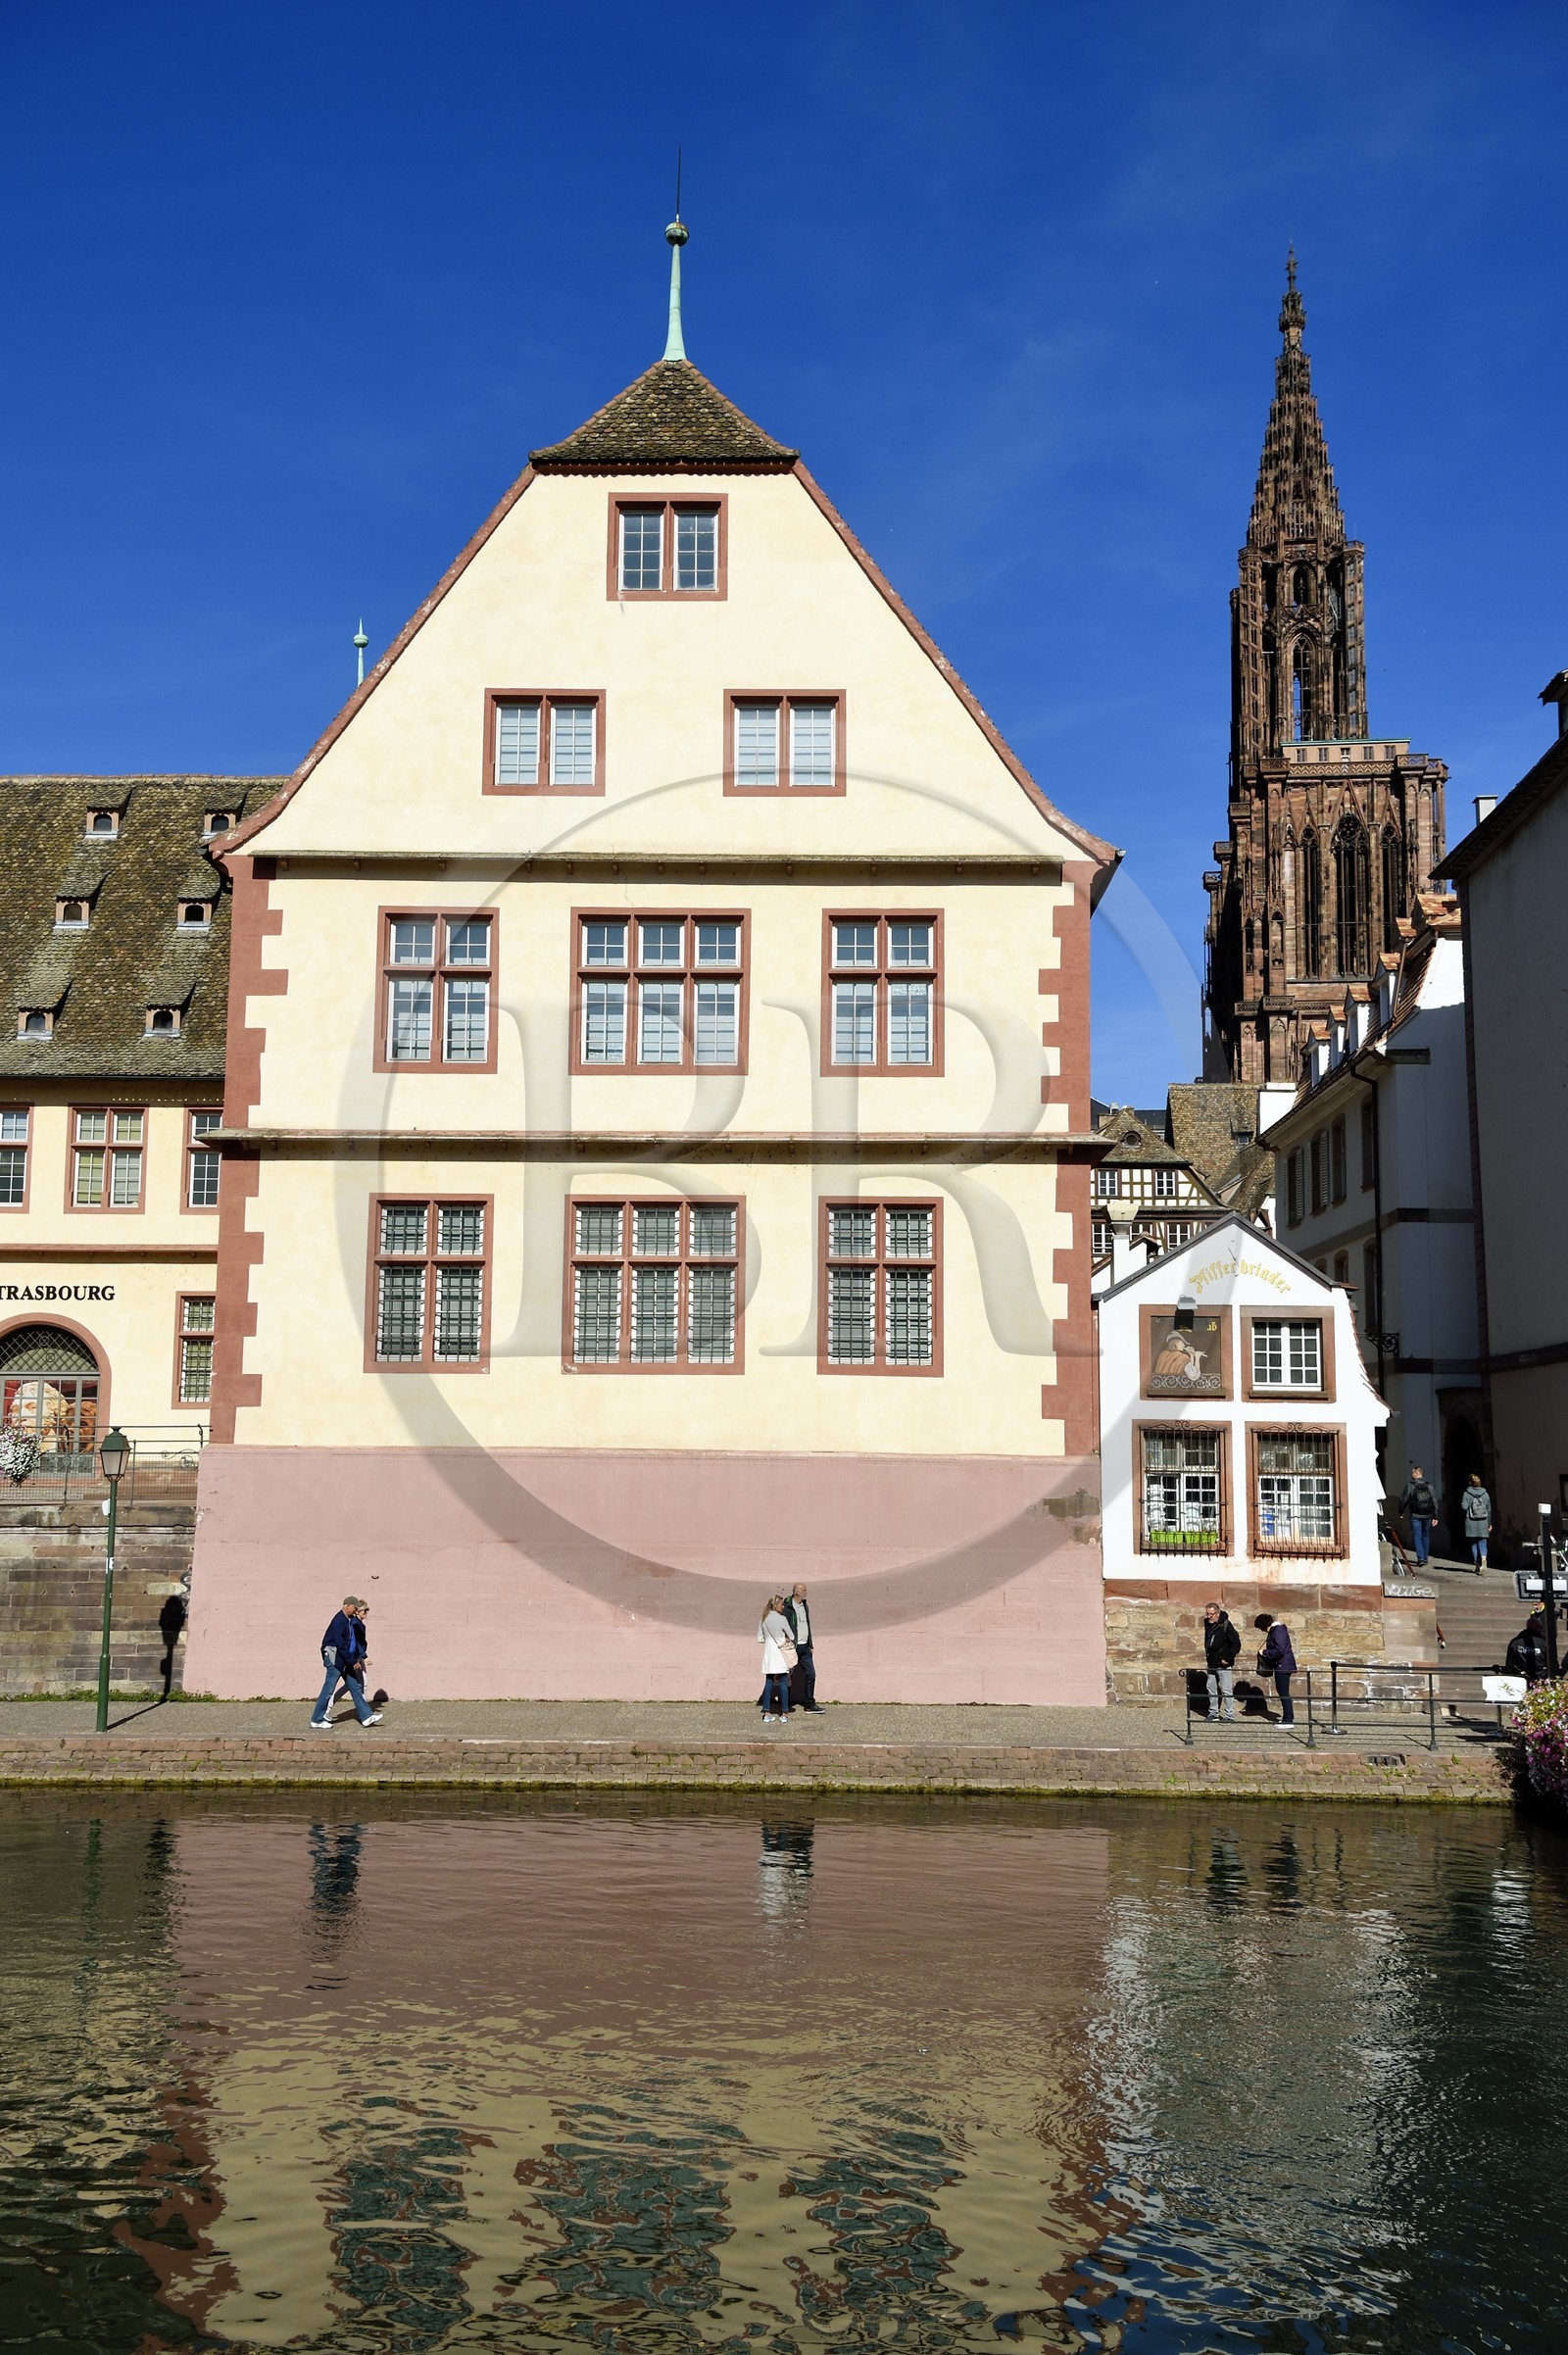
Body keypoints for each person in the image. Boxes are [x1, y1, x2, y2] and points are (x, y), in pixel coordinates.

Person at [311, 1596, 382, 1729]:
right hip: (336, 1660)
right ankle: (317, 1719)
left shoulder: (347, 1620)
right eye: (355, 1608)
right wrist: (352, 1661)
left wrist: (351, 1659)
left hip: (343, 1658)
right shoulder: (339, 1621)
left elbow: (348, 1644)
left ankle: (366, 1716)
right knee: (328, 1690)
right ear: (347, 1606)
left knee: (355, 1687)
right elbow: (340, 1645)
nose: (356, 1611)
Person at [785, 1583, 824, 1713]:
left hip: (805, 1647)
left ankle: (809, 1704)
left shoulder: (804, 1605)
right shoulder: (788, 1606)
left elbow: (807, 1625)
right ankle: (786, 1704)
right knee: (787, 1675)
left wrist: (810, 1644)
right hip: (792, 1646)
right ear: (797, 1592)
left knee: (811, 1674)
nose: (806, 1592)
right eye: (804, 1590)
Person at [1253, 1611, 1298, 1727]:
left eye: (1261, 1628)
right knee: (1282, 1691)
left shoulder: (1277, 1631)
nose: (1262, 1631)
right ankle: (1287, 1718)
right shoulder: (1276, 1631)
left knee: (1283, 1692)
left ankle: (1288, 1719)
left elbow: (1280, 1651)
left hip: (1283, 1665)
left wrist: (1265, 1652)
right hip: (1281, 1665)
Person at [758, 1594, 796, 1724]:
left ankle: (767, 1713)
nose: (783, 1607)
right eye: (781, 1604)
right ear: (775, 1605)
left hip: (769, 1656)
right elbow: (792, 1636)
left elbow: (760, 1638)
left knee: (768, 1684)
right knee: (783, 1684)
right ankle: (784, 1713)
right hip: (781, 1655)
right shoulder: (782, 1619)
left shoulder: (763, 1619)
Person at [1201, 1603, 1241, 1721]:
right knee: (1211, 1687)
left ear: (1217, 1614)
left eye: (1211, 1614)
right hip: (1212, 1662)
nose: (1209, 1616)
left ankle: (1229, 1715)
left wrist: (1227, 1658)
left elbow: (1236, 1643)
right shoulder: (1208, 1624)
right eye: (1207, 1613)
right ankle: (1213, 1713)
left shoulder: (1226, 1625)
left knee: (1226, 1689)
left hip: (1223, 1663)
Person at [1505, 1607, 1557, 1687]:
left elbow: (1509, 1664)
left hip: (1520, 1679)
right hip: (1540, 1680)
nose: (1541, 1630)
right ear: (1536, 1628)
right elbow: (1552, 1663)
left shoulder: (1515, 1642)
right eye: (1540, 1627)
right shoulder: (1543, 1643)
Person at [1398, 1465, 1438, 1568]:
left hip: (1415, 1515)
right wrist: (1435, 1516)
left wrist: (1401, 1511)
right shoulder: (1429, 1486)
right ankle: (1425, 1558)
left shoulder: (1411, 1486)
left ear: (1416, 1474)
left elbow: (1404, 1499)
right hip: (1427, 1515)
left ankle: (1420, 1558)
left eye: (1413, 1473)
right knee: (1425, 1536)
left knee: (1417, 1535)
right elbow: (1434, 1501)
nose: (1411, 1475)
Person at [1461, 1472, 1493, 1571]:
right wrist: (1489, 1523)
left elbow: (1464, 1507)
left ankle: (1477, 1565)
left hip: (1471, 1521)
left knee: (1474, 1543)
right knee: (1483, 1542)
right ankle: (1484, 1558)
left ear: (1470, 1483)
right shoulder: (1485, 1493)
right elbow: (1489, 1510)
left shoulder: (1466, 1493)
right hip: (1483, 1521)